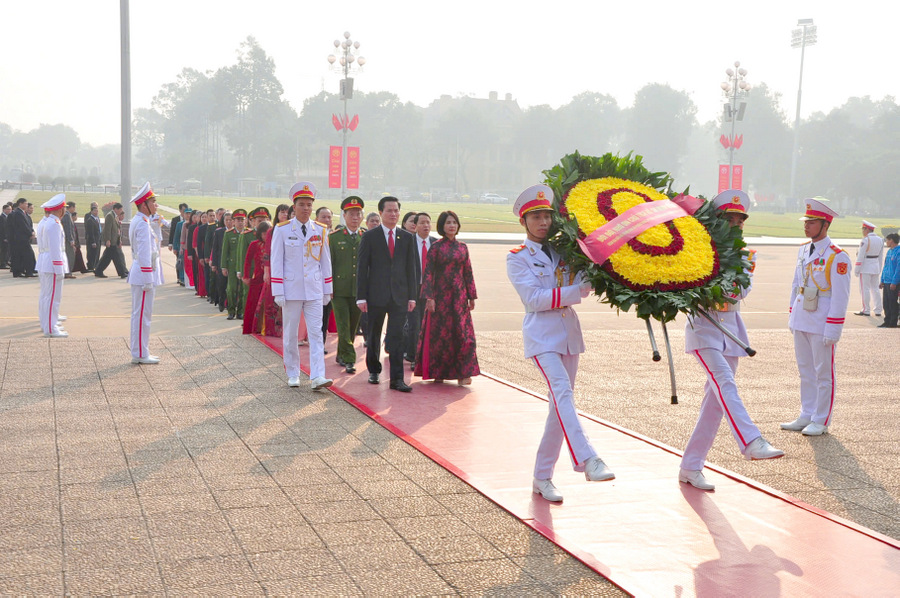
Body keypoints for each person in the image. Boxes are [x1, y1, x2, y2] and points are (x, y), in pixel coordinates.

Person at [507, 184, 613, 503]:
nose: (543, 222)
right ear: (524, 222)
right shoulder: (518, 258)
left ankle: (542, 477)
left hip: (568, 334)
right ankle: (587, 458)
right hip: (541, 335)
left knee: (558, 408)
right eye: (535, 217)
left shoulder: (566, 251)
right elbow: (534, 299)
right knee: (562, 392)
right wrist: (576, 292)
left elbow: (586, 280)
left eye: (547, 216)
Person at [678, 190, 784, 491]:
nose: (735, 225)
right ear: (717, 222)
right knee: (725, 382)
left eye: (740, 220)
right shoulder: (697, 251)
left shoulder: (747, 256)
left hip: (731, 331)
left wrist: (713, 283)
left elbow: (738, 292)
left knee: (714, 404)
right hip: (703, 328)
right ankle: (751, 441)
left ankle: (690, 466)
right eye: (729, 219)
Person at [782, 197, 852, 436]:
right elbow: (795, 284)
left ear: (825, 225)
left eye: (812, 222)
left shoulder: (837, 256)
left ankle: (821, 419)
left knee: (823, 373)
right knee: (805, 370)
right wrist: (792, 313)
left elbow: (841, 296)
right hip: (802, 317)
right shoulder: (803, 249)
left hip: (822, 320)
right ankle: (806, 413)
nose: (807, 226)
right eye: (806, 221)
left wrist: (834, 328)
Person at [271, 181, 334, 390]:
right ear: (294, 207)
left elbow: (325, 262)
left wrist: (327, 289)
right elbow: (276, 262)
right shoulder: (282, 230)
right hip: (291, 290)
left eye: (309, 205)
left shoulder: (320, 230)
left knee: (316, 332)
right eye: (302, 205)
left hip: (314, 289)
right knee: (290, 333)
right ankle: (292, 372)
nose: (306, 209)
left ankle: (317, 376)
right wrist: (278, 290)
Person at [357, 196, 418, 393]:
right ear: (381, 212)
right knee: (374, 335)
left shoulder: (407, 238)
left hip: (399, 297)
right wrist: (361, 296)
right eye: (389, 210)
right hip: (376, 296)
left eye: (396, 210)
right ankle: (374, 369)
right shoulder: (370, 236)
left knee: (397, 337)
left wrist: (412, 297)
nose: (393, 214)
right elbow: (362, 268)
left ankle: (397, 379)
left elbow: (412, 269)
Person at [414, 210, 480, 385]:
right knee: (441, 336)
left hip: (459, 297)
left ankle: (463, 373)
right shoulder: (436, 247)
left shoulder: (462, 247)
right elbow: (428, 273)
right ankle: (439, 372)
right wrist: (429, 297)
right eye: (448, 223)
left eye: (454, 222)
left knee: (463, 335)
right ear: (442, 226)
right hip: (440, 297)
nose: (452, 225)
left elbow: (468, 272)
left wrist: (471, 295)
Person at [128, 183, 163, 364]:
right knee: (142, 316)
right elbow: (143, 254)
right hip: (143, 275)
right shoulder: (142, 224)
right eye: (153, 202)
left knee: (141, 315)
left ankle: (140, 351)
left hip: (141, 274)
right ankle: (140, 353)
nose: (156, 205)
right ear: (144, 205)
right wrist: (149, 279)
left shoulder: (142, 221)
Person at [330, 196, 365, 373]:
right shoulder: (334, 238)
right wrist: (327, 288)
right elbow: (328, 265)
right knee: (343, 325)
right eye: (351, 214)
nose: (355, 217)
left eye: (358, 214)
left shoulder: (365, 237)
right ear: (344, 216)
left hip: (358, 291)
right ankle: (350, 359)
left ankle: (341, 354)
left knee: (352, 326)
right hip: (339, 290)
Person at [404, 212, 438, 366]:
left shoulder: (436, 244)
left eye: (428, 223)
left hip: (431, 290)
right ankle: (413, 356)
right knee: (414, 324)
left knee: (431, 324)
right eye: (422, 223)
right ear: (415, 226)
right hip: (413, 289)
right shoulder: (408, 242)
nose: (426, 226)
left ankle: (429, 355)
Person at [36, 195, 69, 337]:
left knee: (47, 296)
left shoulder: (48, 222)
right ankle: (51, 327)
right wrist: (59, 268)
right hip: (52, 264)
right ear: (60, 210)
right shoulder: (54, 224)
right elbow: (55, 249)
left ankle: (48, 324)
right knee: (53, 298)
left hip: (46, 262)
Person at [242, 220, 271, 335]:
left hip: (270, 279)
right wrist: (246, 276)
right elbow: (247, 262)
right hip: (257, 278)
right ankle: (252, 328)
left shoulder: (274, 244)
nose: (266, 236)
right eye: (264, 233)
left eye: (268, 233)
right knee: (253, 304)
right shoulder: (254, 245)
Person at [358, 212, 382, 345]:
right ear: (366, 223)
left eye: (377, 221)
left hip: (378, 282)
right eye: (372, 221)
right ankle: (368, 337)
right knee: (365, 313)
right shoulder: (364, 237)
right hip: (365, 280)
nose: (375, 223)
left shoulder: (383, 238)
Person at [853, 220, 884, 317]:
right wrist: (879, 268)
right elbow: (880, 256)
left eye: (863, 229)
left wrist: (856, 269)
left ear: (867, 229)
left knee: (864, 289)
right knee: (875, 289)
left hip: (865, 267)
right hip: (875, 266)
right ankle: (878, 310)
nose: (862, 231)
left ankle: (866, 309)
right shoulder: (880, 239)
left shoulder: (865, 240)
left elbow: (860, 256)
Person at [222, 209, 248, 320]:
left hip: (243, 265)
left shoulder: (248, 233)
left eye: (242, 220)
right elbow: (224, 251)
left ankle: (240, 311)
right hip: (232, 265)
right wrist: (223, 266)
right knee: (231, 289)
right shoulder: (228, 234)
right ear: (233, 221)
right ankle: (231, 311)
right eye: (238, 220)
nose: (240, 222)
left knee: (243, 289)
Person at [93, 203, 128, 278]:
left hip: (114, 240)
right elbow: (107, 229)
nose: (121, 211)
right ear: (116, 209)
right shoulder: (110, 216)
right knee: (117, 257)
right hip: (111, 240)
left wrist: (119, 239)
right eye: (120, 209)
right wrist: (108, 240)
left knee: (107, 257)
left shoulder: (115, 216)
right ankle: (122, 273)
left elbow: (117, 229)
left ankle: (98, 271)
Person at [8, 197, 37, 277]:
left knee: (20, 255)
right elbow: (23, 226)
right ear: (20, 204)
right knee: (28, 254)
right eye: (26, 204)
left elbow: (27, 224)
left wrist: (32, 231)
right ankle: (28, 271)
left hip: (23, 238)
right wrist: (30, 233)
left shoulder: (22, 213)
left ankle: (20, 271)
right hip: (21, 238)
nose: (27, 205)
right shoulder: (18, 213)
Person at [210, 211, 231, 313]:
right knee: (222, 284)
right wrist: (214, 263)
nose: (228, 222)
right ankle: (221, 302)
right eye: (226, 220)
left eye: (230, 220)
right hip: (220, 262)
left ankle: (230, 304)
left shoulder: (238, 232)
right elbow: (215, 249)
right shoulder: (219, 232)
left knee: (231, 286)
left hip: (232, 263)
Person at [878, 233, 900, 328]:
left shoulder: (898, 252)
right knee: (886, 303)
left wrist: (894, 282)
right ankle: (887, 321)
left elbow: (898, 269)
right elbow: (885, 267)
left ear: (891, 240)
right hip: (886, 281)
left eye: (887, 240)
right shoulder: (889, 252)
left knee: (892, 302)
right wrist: (882, 279)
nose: (886, 242)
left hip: (893, 282)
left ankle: (892, 322)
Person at [84, 202, 102, 271]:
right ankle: (91, 266)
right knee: (91, 253)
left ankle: (95, 265)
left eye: (97, 210)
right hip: (92, 239)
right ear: (91, 211)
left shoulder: (97, 218)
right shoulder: (89, 219)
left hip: (98, 238)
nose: (96, 212)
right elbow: (90, 232)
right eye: (95, 210)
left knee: (97, 253)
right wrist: (93, 241)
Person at [0, 202, 11, 269]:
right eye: (8, 209)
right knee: (4, 251)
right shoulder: (2, 218)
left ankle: (5, 262)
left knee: (6, 250)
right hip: (3, 238)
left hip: (7, 237)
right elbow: (2, 229)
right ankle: (2, 264)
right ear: (4, 210)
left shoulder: (7, 217)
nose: (9, 211)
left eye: (10, 209)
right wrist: (4, 237)